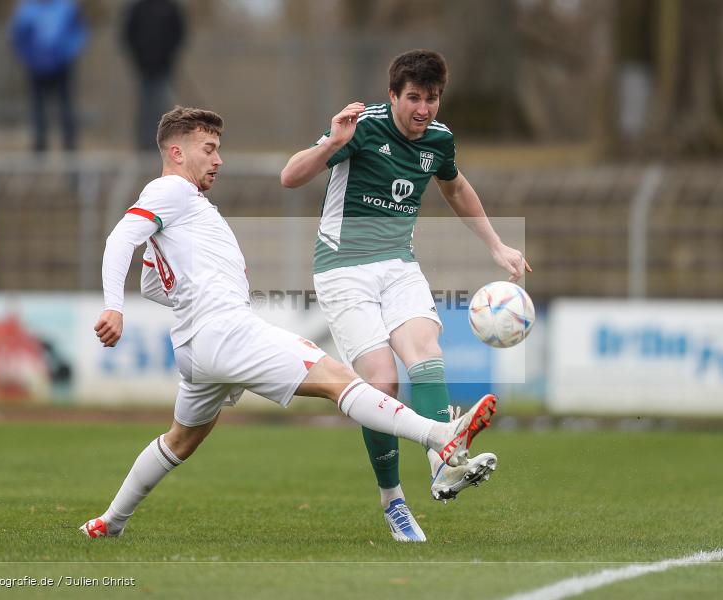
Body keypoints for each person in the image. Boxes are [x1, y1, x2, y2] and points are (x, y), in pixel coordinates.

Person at [79, 106, 498, 539]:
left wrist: (201, 287)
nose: (218, 159)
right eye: (209, 149)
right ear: (176, 152)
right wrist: (114, 306)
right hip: (225, 332)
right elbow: (119, 238)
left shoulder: (186, 208)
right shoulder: (171, 190)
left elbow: (152, 282)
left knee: (180, 440)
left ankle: (110, 523)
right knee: (339, 378)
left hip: (196, 346)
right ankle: (440, 435)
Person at [280, 49, 530, 542]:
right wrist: (333, 141)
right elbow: (290, 177)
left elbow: (456, 188)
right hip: (342, 268)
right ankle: (393, 502)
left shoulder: (439, 140)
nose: (423, 109)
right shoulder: (362, 127)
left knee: (427, 354)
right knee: (382, 383)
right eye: (413, 98)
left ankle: (444, 464)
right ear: (393, 95)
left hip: (398, 265)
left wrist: (498, 245)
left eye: (432, 98)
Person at [9, 0, 88, 152]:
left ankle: (70, 147)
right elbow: (17, 36)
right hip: (36, 68)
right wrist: (28, 58)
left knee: (66, 110)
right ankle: (39, 148)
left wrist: (67, 54)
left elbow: (78, 32)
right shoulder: (27, 9)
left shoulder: (67, 7)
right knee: (38, 111)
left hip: (61, 67)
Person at [122, 0, 186, 151]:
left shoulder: (170, 8)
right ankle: (144, 147)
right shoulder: (137, 8)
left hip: (164, 68)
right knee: (145, 110)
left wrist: (168, 57)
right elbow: (128, 35)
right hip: (143, 68)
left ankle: (164, 145)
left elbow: (179, 34)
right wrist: (138, 58)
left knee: (163, 108)